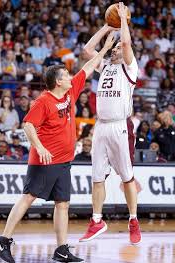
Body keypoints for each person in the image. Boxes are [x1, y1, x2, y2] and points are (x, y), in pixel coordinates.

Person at [0, 32, 116, 263]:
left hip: (64, 161)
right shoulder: (43, 101)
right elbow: (28, 124)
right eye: (66, 75)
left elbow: (88, 67)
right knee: (28, 198)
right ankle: (3, 240)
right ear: (57, 81)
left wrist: (104, 48)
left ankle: (61, 249)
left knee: (63, 204)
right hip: (45, 160)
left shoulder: (70, 92)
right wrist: (39, 147)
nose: (71, 77)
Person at [79, 2, 141, 245]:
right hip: (101, 126)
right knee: (97, 177)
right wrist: (107, 27)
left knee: (126, 178)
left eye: (117, 48)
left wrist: (123, 19)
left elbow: (126, 43)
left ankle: (133, 220)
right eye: (113, 48)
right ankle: (96, 220)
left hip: (120, 126)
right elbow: (87, 49)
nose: (114, 50)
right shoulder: (104, 66)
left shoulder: (130, 67)